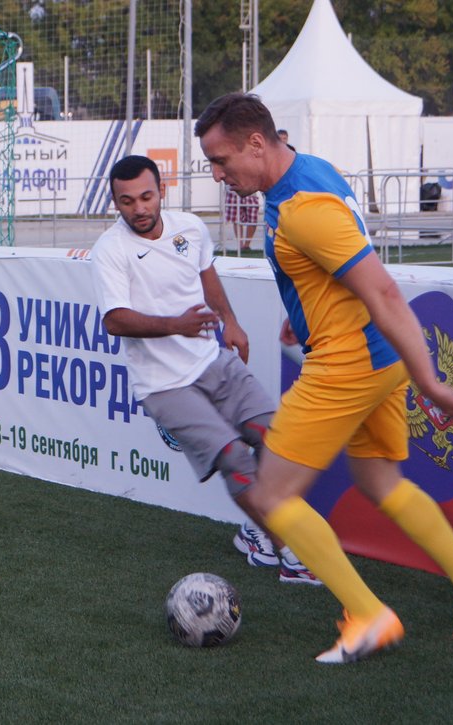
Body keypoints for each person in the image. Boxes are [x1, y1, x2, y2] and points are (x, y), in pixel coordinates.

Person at [196, 92, 453, 664]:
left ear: (257, 143)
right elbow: (329, 266)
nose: (218, 175)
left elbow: (382, 288)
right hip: (375, 358)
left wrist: (431, 381)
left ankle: (368, 615)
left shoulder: (302, 208)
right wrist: (301, 314)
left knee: (270, 495)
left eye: (221, 161)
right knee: (381, 481)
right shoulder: (306, 170)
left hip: (348, 363)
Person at [90, 155, 319, 587]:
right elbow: (115, 320)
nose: (139, 208)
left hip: (212, 361)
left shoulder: (190, 228)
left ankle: (255, 530)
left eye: (146, 196)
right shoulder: (110, 250)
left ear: (161, 191)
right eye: (127, 201)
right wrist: (177, 325)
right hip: (163, 386)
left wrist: (231, 322)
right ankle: (291, 555)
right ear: (115, 203)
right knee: (235, 458)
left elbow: (207, 277)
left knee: (277, 439)